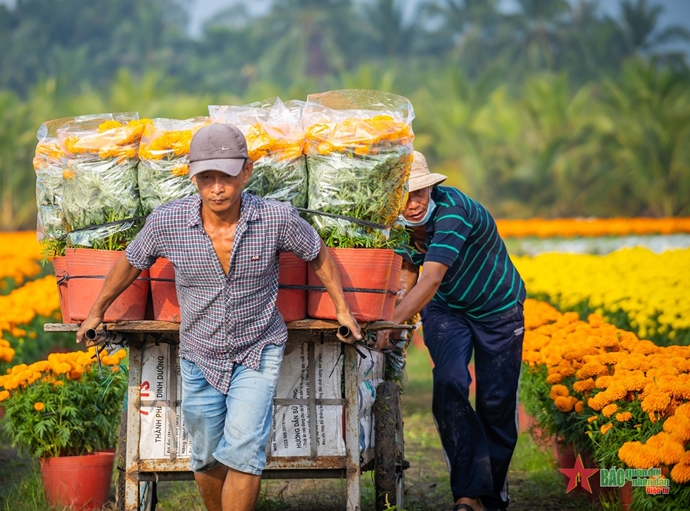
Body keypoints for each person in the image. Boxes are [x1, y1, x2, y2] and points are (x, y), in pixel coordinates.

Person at [76, 123, 362, 511]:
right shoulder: (168, 222)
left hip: (257, 349)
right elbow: (130, 263)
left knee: (244, 450)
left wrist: (342, 308)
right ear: (193, 177)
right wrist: (95, 312)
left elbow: (317, 252)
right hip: (199, 353)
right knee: (207, 456)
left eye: (225, 177)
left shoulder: (276, 218)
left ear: (245, 172)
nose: (217, 188)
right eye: (206, 178)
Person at [377, 151, 526, 511]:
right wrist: (394, 318)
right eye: (404, 195)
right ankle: (467, 494)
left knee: (495, 404)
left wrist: (392, 321)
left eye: (419, 194)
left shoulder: (454, 211)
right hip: (447, 309)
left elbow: (431, 277)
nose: (412, 204)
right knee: (449, 383)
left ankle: (491, 496)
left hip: (498, 308)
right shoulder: (400, 222)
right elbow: (410, 273)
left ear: (431, 189)